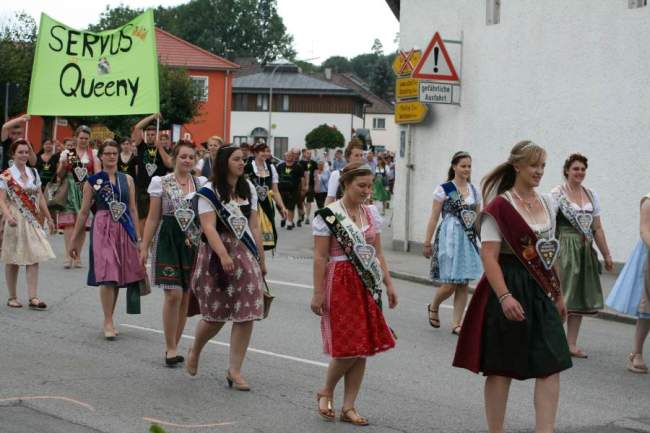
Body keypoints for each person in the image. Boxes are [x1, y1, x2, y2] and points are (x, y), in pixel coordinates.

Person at [454, 141, 571, 433]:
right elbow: (489, 257)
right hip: (508, 285)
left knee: (552, 362)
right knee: (501, 366)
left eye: (542, 166)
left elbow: (549, 254)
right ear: (517, 166)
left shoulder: (548, 203)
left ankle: (545, 430)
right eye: (533, 165)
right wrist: (504, 296)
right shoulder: (499, 207)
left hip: (541, 288)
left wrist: (559, 294)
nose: (539, 171)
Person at [311, 162, 397, 426]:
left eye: (370, 185)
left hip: (367, 282)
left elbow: (378, 252)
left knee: (362, 348)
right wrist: (317, 292)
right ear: (346, 184)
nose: (367, 190)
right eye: (361, 185)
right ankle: (326, 390)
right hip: (340, 282)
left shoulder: (370, 213)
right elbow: (320, 256)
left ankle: (349, 406)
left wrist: (389, 284)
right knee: (348, 347)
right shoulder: (328, 216)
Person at [186, 145, 267, 391]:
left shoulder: (248, 188)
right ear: (224, 163)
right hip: (217, 253)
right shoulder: (209, 191)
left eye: (243, 159)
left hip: (245, 253)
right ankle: (195, 349)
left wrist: (261, 258)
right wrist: (223, 254)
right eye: (237, 159)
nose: (242, 163)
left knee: (246, 313)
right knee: (215, 314)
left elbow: (254, 226)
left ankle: (235, 370)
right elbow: (208, 227)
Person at [69, 140, 146, 340]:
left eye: (114, 153)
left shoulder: (127, 179)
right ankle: (108, 321)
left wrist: (138, 237)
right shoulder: (93, 181)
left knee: (117, 275)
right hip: (103, 227)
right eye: (108, 153)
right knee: (108, 272)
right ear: (101, 156)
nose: (111, 156)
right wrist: (74, 240)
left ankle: (109, 317)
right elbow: (84, 212)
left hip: (124, 228)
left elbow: (133, 209)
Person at [140, 142, 207, 366]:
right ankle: (170, 347)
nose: (187, 160)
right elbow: (153, 218)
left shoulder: (201, 183)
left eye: (191, 157)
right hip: (168, 239)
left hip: (192, 241)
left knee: (186, 295)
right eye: (183, 156)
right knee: (174, 294)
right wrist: (144, 246)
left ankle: (174, 345)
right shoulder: (161, 182)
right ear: (174, 158)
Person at [551, 153, 613, 358]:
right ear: (567, 170)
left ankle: (571, 344)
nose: (580, 172)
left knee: (578, 298)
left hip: (585, 250)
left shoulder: (591, 194)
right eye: (576, 168)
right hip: (564, 248)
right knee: (563, 295)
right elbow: (549, 224)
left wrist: (606, 254)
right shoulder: (557, 194)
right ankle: (551, 340)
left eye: (583, 169)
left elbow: (597, 228)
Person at [423, 151, 483, 334]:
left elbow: (477, 220)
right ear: (454, 167)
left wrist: (484, 242)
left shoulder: (475, 191)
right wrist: (427, 242)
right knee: (450, 283)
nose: (467, 169)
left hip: (467, 239)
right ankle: (434, 305)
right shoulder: (444, 189)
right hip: (449, 237)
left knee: (463, 283)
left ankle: (457, 323)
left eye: (469, 166)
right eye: (463, 166)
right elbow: (434, 217)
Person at [1, 140, 55, 309]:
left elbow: (40, 197)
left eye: (26, 152)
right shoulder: (6, 175)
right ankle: (12, 297)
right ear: (13, 154)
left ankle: (33, 297)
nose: (24, 155)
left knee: (34, 255)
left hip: (32, 218)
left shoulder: (33, 172)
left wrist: (49, 217)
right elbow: (1, 200)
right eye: (20, 152)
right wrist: (8, 216)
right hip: (15, 218)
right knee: (13, 258)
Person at [606, 194, 650, 374]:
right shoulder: (649, 201)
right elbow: (644, 230)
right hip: (649, 256)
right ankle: (636, 353)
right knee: (647, 309)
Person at [56, 125, 101, 269]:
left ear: (89, 139)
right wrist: (63, 165)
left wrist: (95, 191)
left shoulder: (93, 154)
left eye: (86, 138)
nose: (83, 140)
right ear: (76, 138)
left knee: (82, 225)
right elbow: (59, 174)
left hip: (86, 190)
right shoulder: (67, 153)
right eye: (81, 138)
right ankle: (68, 255)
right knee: (69, 224)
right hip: (70, 190)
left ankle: (78, 255)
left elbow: (98, 173)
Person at [131, 114, 173, 234]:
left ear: (157, 136)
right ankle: (144, 241)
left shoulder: (165, 150)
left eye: (153, 134)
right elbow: (138, 127)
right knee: (143, 217)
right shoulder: (141, 146)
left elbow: (169, 165)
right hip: (143, 188)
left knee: (156, 218)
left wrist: (160, 148)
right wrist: (153, 117)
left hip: (158, 189)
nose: (150, 137)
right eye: (148, 135)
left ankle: (154, 239)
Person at [245, 142, 288, 250]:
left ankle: (260, 257)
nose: (266, 153)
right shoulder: (247, 167)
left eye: (267, 151)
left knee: (265, 240)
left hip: (267, 206)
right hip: (251, 206)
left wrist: (282, 207)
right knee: (252, 236)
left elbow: (275, 191)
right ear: (255, 153)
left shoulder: (271, 168)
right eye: (262, 151)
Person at [325, 139, 365, 206]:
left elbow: (366, 202)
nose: (360, 158)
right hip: (340, 211)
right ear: (348, 157)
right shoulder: (337, 174)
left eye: (361, 155)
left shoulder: (364, 175)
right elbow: (330, 199)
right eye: (356, 155)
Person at [277, 151, 305, 230]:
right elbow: (276, 177)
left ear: (293, 157)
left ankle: (289, 222)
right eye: (287, 155)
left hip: (293, 190)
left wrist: (303, 188)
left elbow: (302, 178)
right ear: (284, 157)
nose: (289, 157)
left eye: (290, 155)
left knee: (291, 206)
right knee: (279, 206)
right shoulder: (280, 166)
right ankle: (284, 217)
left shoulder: (298, 166)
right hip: (281, 189)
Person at [299, 149, 317, 224]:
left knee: (309, 201)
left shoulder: (314, 163)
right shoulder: (300, 163)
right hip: (302, 184)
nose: (309, 155)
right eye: (307, 153)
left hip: (311, 184)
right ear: (304, 154)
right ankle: (302, 213)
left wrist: (316, 185)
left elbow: (316, 174)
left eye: (310, 153)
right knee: (300, 200)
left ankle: (307, 217)